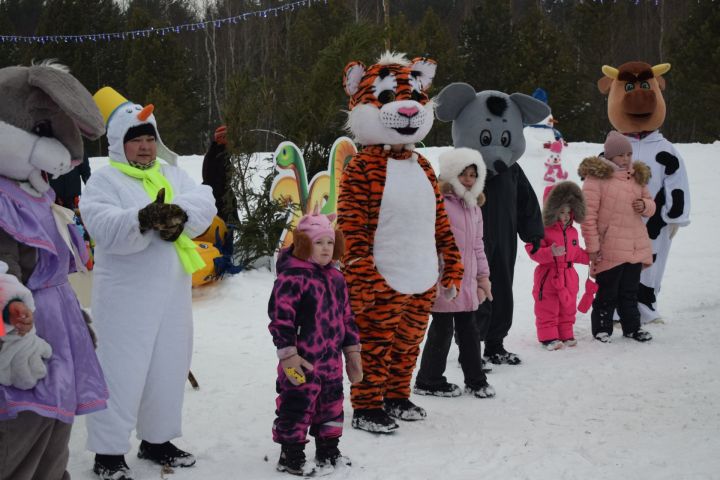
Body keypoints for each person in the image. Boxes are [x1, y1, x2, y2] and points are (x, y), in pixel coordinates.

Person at [80, 87, 216, 480]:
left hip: (171, 294)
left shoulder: (171, 174)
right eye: (135, 140)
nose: (144, 147)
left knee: (168, 367)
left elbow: (204, 199)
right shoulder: (104, 181)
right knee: (119, 372)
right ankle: (108, 453)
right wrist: (143, 218)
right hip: (125, 299)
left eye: (149, 139)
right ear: (120, 145)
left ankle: (157, 440)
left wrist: (177, 214)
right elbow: (102, 225)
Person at [268, 210, 362, 476]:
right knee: (297, 404)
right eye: (318, 242)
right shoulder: (292, 278)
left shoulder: (336, 278)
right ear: (304, 244)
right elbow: (280, 318)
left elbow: (347, 317)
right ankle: (291, 454)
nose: (325, 248)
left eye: (330, 242)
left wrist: (352, 351)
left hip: (331, 360)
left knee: (332, 405)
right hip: (302, 359)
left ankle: (328, 449)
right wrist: (288, 355)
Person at [414, 148, 495, 399]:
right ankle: (428, 379)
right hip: (445, 280)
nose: (468, 179)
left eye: (473, 174)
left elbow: (478, 246)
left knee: (470, 330)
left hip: (468, 282)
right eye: (463, 174)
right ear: (451, 174)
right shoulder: (441, 203)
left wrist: (483, 278)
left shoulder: (474, 207)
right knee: (442, 329)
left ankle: (475, 380)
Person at [578, 131, 655, 343]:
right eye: (621, 155)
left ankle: (633, 328)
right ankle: (602, 329)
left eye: (629, 154)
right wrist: (592, 247)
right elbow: (588, 216)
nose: (626, 159)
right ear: (610, 156)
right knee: (607, 292)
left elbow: (651, 204)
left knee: (630, 291)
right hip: (609, 246)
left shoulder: (636, 177)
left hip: (634, 245)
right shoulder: (596, 179)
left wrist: (645, 206)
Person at [526, 181, 589, 350]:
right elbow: (532, 249)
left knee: (567, 306)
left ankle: (565, 332)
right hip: (549, 276)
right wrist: (549, 252)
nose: (566, 215)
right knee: (548, 306)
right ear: (552, 210)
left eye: (569, 211)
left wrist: (591, 257)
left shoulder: (573, 232)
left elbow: (576, 253)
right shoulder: (542, 229)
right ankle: (548, 337)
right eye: (562, 211)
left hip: (569, 275)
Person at [202, 125, 240, 225]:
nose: (231, 141)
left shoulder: (220, 153)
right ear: (221, 138)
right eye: (228, 137)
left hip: (223, 200)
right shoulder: (216, 155)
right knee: (223, 232)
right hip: (219, 203)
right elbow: (213, 182)